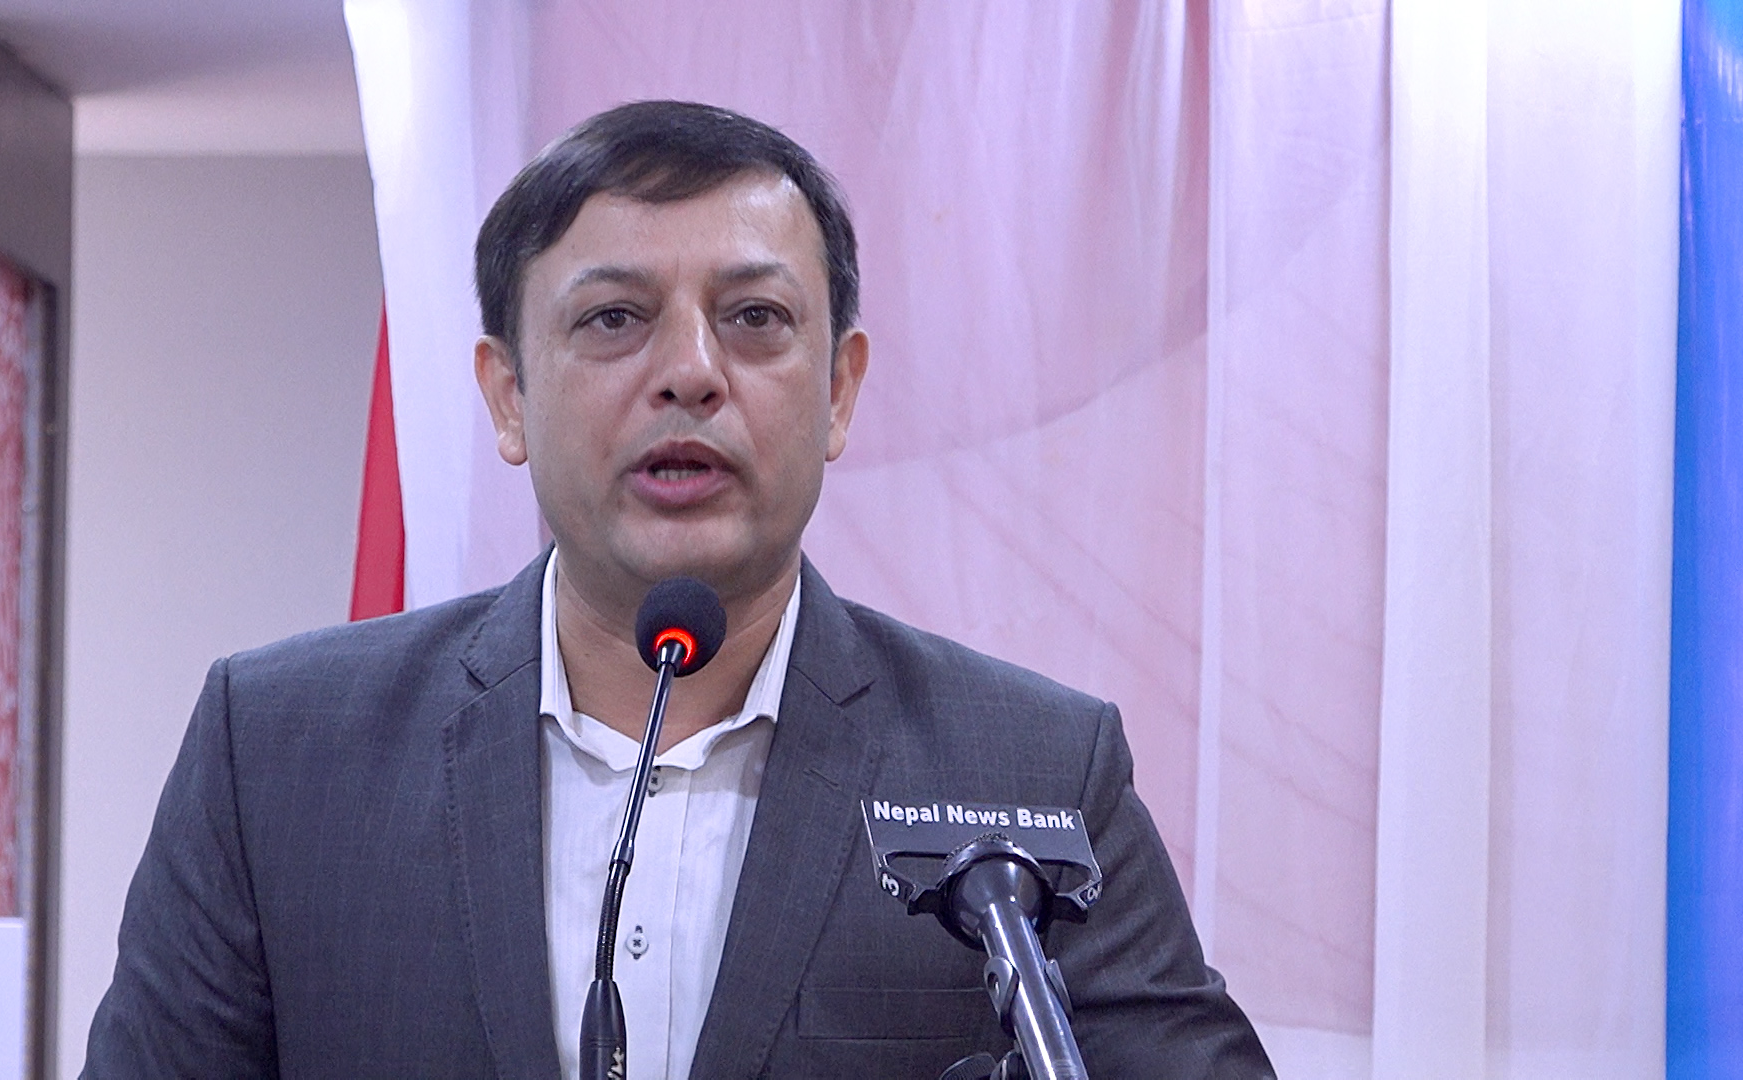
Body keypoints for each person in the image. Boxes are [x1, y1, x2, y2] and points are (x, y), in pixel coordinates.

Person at [84, 100, 1273, 1079]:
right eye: (615, 319)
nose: (692, 374)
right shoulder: (279, 751)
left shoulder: (1029, 768)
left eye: (755, 318)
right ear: (508, 395)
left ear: (840, 391)